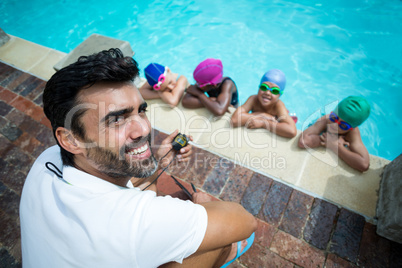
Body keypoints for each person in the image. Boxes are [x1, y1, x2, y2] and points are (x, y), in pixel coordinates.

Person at [19, 49, 257, 267]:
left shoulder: (47, 160)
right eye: (116, 119)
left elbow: (127, 199)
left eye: (141, 111)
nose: (143, 129)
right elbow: (246, 222)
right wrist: (205, 205)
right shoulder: (132, 223)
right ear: (70, 140)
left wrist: (159, 163)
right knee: (223, 241)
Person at [298, 96, 371, 172]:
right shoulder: (325, 119)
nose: (334, 125)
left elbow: (364, 164)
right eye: (333, 118)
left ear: (351, 128)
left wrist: (335, 146)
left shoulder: (353, 133)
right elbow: (303, 142)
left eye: (343, 125)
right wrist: (328, 141)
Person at [230, 69, 297, 138]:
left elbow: (291, 131)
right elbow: (234, 120)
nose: (267, 93)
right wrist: (262, 115)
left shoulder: (278, 105)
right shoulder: (253, 99)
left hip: (279, 116)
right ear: (259, 87)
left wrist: (264, 123)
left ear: (279, 95)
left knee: (286, 118)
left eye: (274, 91)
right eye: (264, 87)